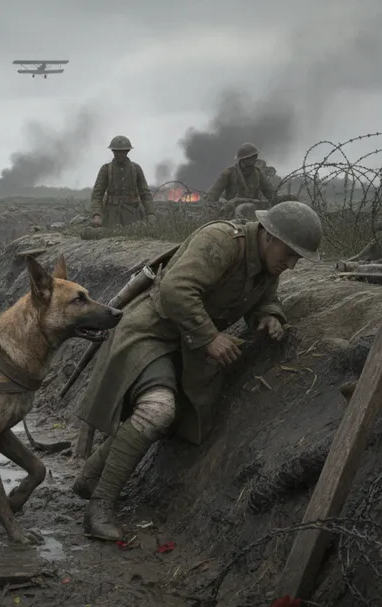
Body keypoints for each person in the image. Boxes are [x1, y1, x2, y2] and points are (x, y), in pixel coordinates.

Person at [71, 200, 324, 540]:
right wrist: (210, 337)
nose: (291, 264)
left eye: (297, 258)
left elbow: (264, 297)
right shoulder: (221, 241)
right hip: (151, 333)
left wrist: (270, 315)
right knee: (158, 410)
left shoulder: (267, 267)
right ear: (268, 236)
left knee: (167, 415)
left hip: (186, 348)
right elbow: (176, 289)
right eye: (289, 253)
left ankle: (90, 477)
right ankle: (100, 506)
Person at [90, 136, 155, 228]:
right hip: (111, 216)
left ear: (127, 151)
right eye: (115, 151)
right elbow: (97, 195)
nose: (118, 154)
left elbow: (145, 194)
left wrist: (150, 213)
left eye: (121, 151)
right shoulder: (106, 169)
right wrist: (96, 215)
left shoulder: (136, 169)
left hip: (133, 215)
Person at [205, 142, 277, 209]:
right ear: (243, 159)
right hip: (231, 213)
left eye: (255, 157)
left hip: (253, 212)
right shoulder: (228, 173)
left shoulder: (258, 173)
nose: (253, 160)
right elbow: (212, 195)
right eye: (250, 158)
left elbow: (270, 193)